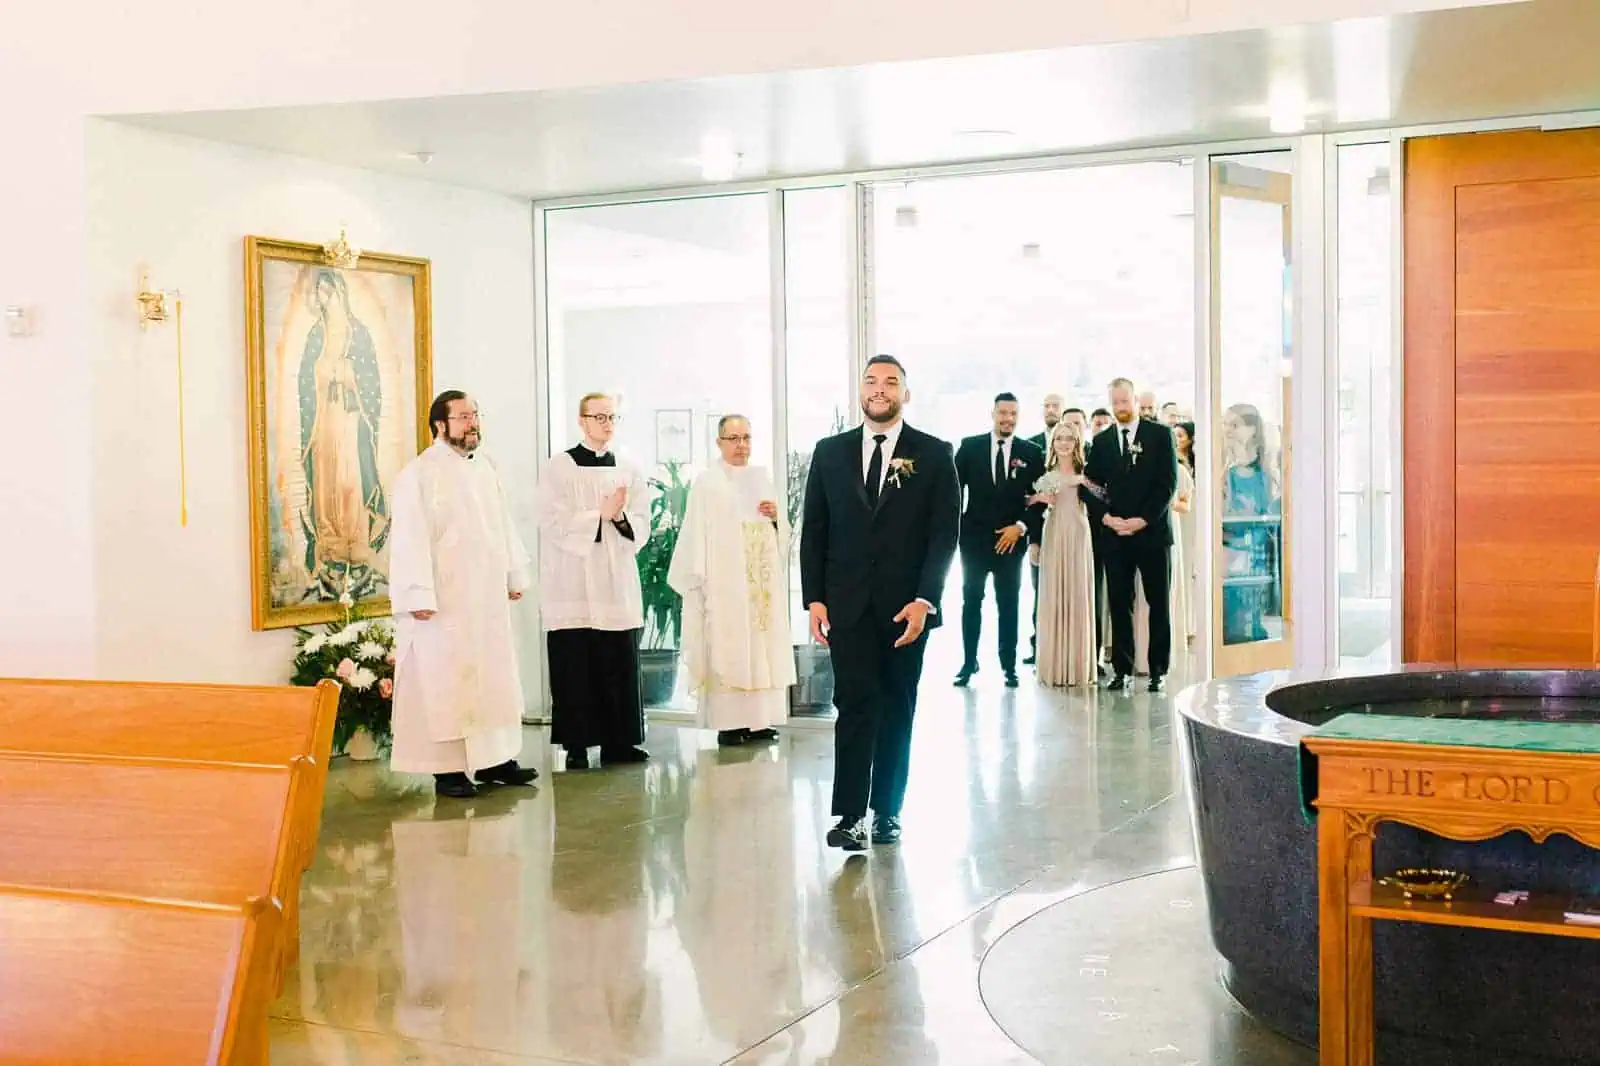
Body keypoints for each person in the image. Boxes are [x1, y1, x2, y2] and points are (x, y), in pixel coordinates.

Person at [801, 355, 959, 851]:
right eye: (871, 380)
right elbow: (815, 532)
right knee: (853, 705)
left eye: (891, 382)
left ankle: (887, 810)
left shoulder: (934, 455)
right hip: (845, 605)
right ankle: (849, 814)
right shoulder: (829, 453)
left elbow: (943, 535)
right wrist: (814, 600)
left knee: (896, 705)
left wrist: (925, 599)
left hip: (904, 609)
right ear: (861, 391)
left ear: (904, 395)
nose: (879, 388)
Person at [389, 390, 540, 799]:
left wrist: (513, 574)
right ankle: (449, 770)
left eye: (475, 415)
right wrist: (417, 593)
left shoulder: (486, 468)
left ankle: (495, 760)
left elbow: (501, 526)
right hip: (445, 603)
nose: (473, 423)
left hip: (486, 598)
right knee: (447, 682)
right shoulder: (419, 474)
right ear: (440, 424)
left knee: (493, 677)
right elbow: (409, 537)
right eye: (463, 417)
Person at [538, 392, 651, 770]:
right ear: (581, 420)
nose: (606, 424)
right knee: (576, 660)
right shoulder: (560, 467)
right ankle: (577, 744)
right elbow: (551, 520)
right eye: (599, 417)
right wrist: (596, 516)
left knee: (618, 658)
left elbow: (642, 522)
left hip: (615, 576)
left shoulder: (629, 469)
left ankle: (622, 742)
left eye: (612, 417)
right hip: (573, 579)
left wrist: (619, 519)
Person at [668, 414, 794, 747]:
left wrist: (776, 517)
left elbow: (780, 532)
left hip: (759, 582)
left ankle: (758, 720)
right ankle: (729, 722)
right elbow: (697, 532)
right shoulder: (709, 483)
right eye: (734, 438)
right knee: (730, 646)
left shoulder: (761, 478)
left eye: (746, 438)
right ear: (719, 443)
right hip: (725, 582)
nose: (741, 445)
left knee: (762, 646)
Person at [1082, 377, 1179, 693]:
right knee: (1119, 602)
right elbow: (1092, 487)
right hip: (1115, 535)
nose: (1120, 408)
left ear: (1135, 400)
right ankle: (1121, 669)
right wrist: (1107, 518)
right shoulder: (1102, 440)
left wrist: (1143, 520)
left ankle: (1157, 670)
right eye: (1115, 403)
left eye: (1125, 401)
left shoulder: (1160, 435)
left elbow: (1167, 485)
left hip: (1151, 534)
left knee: (1158, 602)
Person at [952, 393, 1045, 688]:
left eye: (1013, 414)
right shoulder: (970, 447)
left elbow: (1040, 499)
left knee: (1009, 603)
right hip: (975, 541)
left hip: (1012, 540)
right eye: (1003, 413)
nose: (1008, 419)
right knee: (971, 601)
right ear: (992, 413)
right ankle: (968, 663)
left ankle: (1009, 665)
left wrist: (1020, 527)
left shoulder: (1031, 452)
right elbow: (952, 493)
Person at [1031, 421, 1097, 687]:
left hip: (1079, 533)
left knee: (1077, 593)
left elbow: (1103, 497)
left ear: (1077, 442)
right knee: (1054, 595)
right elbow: (1028, 503)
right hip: (1055, 532)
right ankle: (1055, 665)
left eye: (1070, 438)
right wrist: (1038, 499)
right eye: (1059, 438)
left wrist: (1086, 485)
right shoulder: (1045, 474)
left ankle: (1078, 665)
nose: (1064, 443)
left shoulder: (1086, 473)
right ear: (1053, 443)